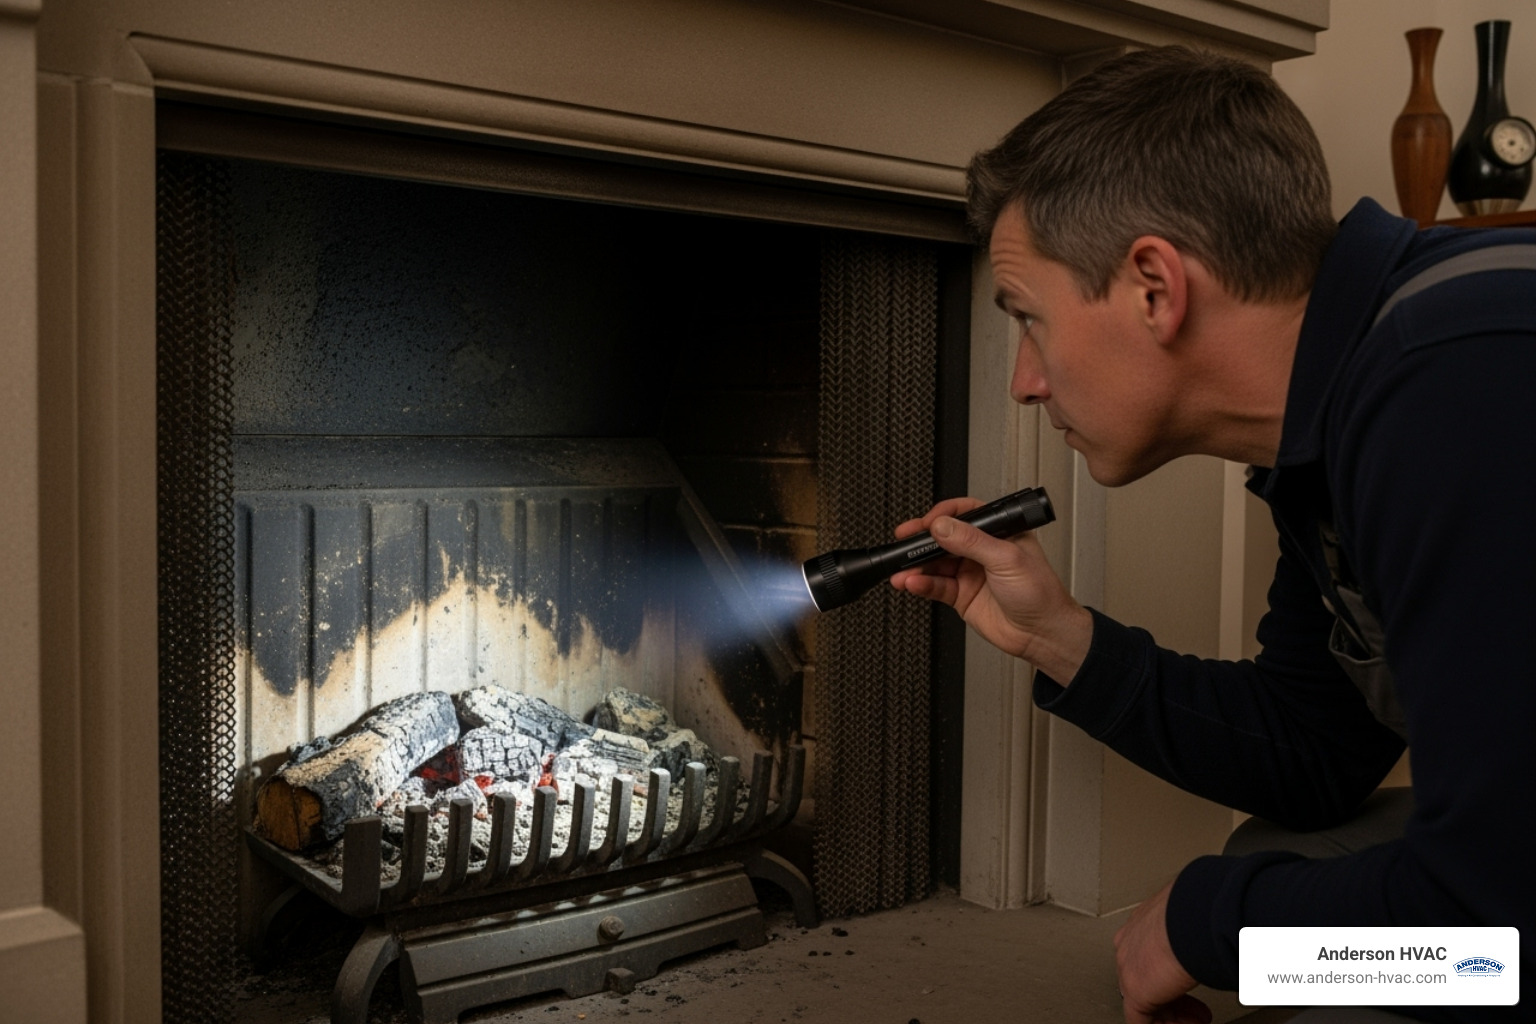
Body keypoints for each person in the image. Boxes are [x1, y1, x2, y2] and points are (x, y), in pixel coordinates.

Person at [889, 47, 1534, 1024]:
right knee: (1284, 864)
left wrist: (1212, 924)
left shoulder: (1449, 386)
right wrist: (1059, 634)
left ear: (1155, 285)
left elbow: (1494, 927)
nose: (1024, 379)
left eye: (1029, 317)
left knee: (1303, 955)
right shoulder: (1342, 411)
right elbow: (1317, 757)